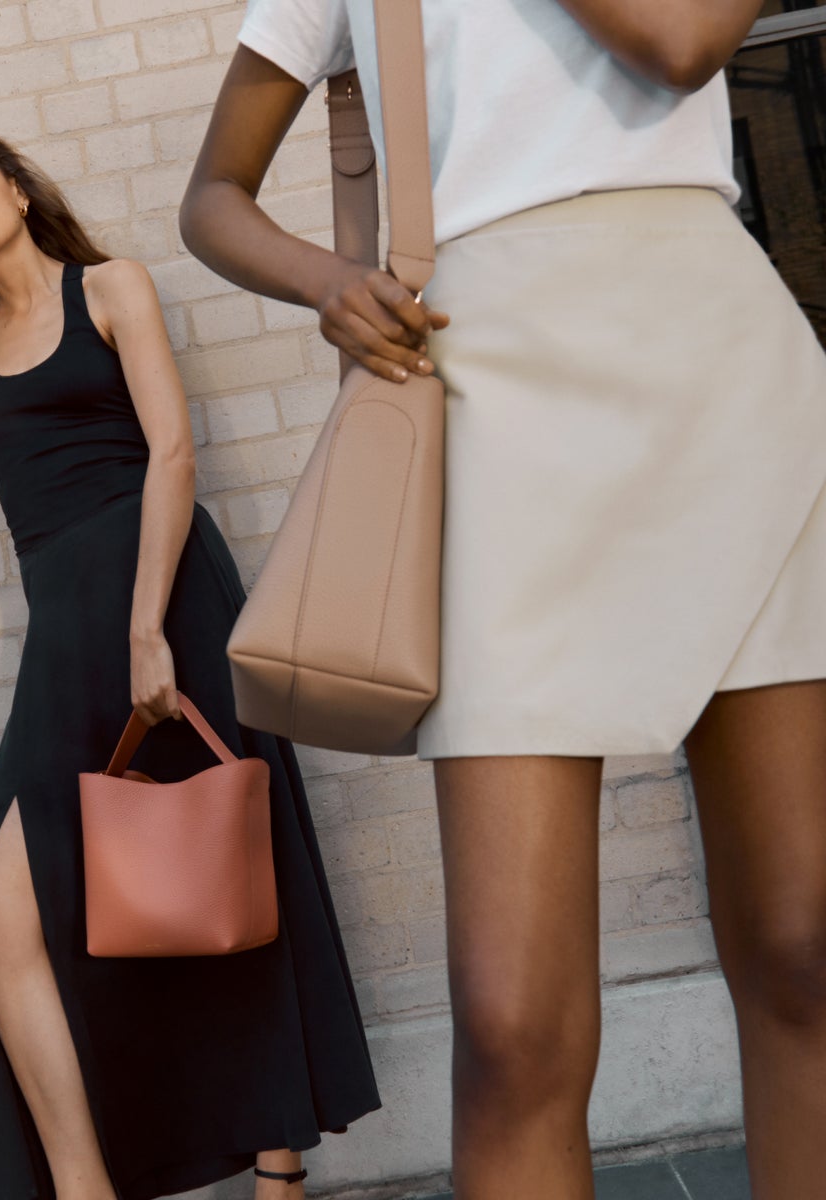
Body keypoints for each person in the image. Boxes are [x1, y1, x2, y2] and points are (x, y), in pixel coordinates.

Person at [180, 3, 826, 1195]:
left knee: (803, 943)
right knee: (510, 1023)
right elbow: (211, 194)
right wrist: (328, 281)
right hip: (489, 395)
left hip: (722, 374)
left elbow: (678, 41)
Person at [0, 125, 380, 1200]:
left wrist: (148, 628)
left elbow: (171, 450)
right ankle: (83, 1186)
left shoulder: (108, 288)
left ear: (16, 187)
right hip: (61, 622)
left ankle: (278, 1168)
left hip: (162, 595)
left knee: (220, 864)